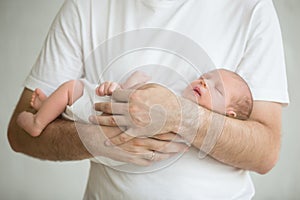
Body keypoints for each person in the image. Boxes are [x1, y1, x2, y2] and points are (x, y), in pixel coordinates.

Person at [7, 0, 289, 199]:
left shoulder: (251, 8)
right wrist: (100, 140)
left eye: (215, 87)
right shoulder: (85, 5)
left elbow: (266, 153)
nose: (204, 82)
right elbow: (19, 135)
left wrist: (182, 117)